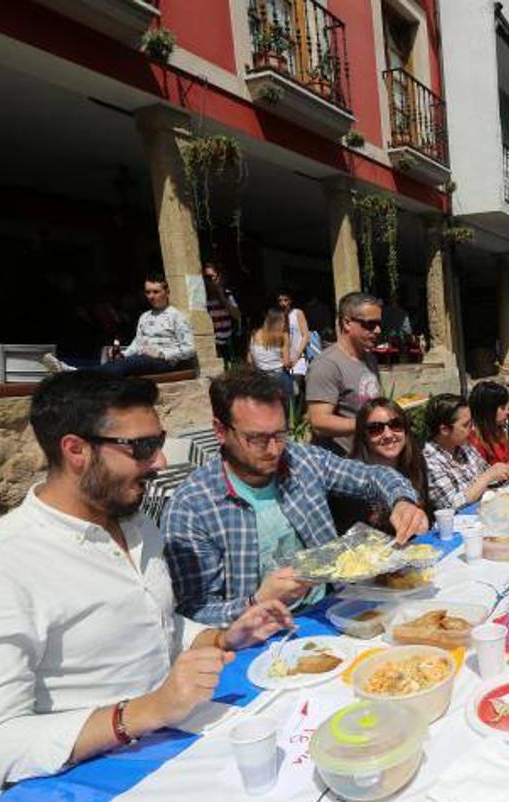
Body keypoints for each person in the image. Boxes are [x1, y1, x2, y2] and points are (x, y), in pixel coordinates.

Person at [0, 371, 294, 793]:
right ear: (76, 450)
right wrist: (144, 712)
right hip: (78, 789)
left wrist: (224, 637)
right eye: (143, 447)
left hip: (175, 745)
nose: (160, 461)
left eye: (158, 442)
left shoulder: (135, 524)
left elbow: (156, 626)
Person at [163, 369, 428, 625]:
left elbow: (372, 476)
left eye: (280, 434)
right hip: (258, 637)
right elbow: (192, 612)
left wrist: (401, 501)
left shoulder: (302, 460)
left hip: (335, 609)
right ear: (220, 431)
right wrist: (255, 602)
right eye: (255, 438)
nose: (273, 449)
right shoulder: (192, 507)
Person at [44, 276, 195, 377]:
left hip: (164, 363)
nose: (151, 296)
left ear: (167, 292)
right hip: (141, 359)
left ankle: (74, 373)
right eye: (148, 292)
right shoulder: (145, 316)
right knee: (119, 362)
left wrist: (161, 354)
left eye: (156, 292)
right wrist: (123, 354)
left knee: (132, 362)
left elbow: (189, 349)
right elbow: (138, 342)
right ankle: (77, 373)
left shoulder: (177, 316)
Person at [330, 397, 431, 533]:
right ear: (363, 435)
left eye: (396, 425)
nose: (388, 435)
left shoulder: (415, 463)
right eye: (376, 429)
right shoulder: (351, 480)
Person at [304, 292, 384, 454]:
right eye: (370, 324)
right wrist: (369, 424)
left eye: (379, 323)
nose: (377, 330)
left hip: (369, 455)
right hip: (342, 463)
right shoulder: (327, 364)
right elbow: (319, 422)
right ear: (347, 323)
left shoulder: (370, 358)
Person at [423, 393, 509, 511]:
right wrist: (488, 476)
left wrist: (507, 469)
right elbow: (450, 506)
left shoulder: (462, 445)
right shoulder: (429, 461)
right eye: (465, 425)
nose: (472, 428)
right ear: (444, 430)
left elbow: (487, 475)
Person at [246, 308, 295, 399]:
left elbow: (249, 360)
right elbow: (286, 363)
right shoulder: (283, 337)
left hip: (260, 376)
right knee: (290, 399)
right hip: (278, 376)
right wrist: (292, 362)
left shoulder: (254, 334)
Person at [203, 263, 241, 364]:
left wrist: (223, 298)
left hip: (227, 341)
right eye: (206, 277)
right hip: (211, 342)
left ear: (219, 276)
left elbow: (237, 315)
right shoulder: (202, 296)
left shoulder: (227, 293)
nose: (210, 280)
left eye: (212, 276)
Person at [278, 291, 312, 402]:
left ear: (291, 301)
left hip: (298, 356)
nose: (283, 303)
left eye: (285, 300)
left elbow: (305, 335)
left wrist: (297, 355)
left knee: (297, 386)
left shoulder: (297, 313)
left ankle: (299, 414)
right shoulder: (277, 316)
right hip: (283, 359)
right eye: (280, 300)